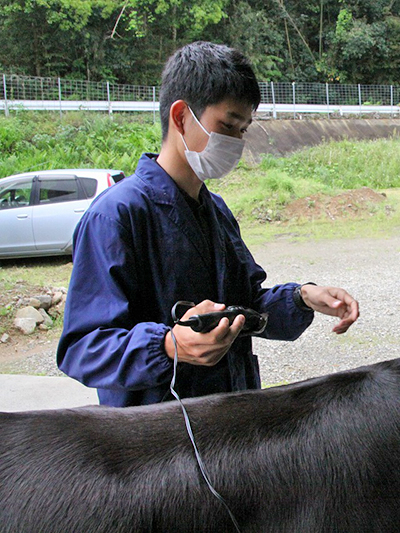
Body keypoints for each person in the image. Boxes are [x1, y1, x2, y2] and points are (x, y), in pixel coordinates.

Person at [57, 41, 359, 407]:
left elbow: (246, 307)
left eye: (243, 130)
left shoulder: (215, 211)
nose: (235, 142)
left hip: (228, 424)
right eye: (227, 125)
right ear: (181, 116)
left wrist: (302, 298)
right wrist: (170, 345)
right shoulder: (117, 215)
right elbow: (82, 347)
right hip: (154, 441)